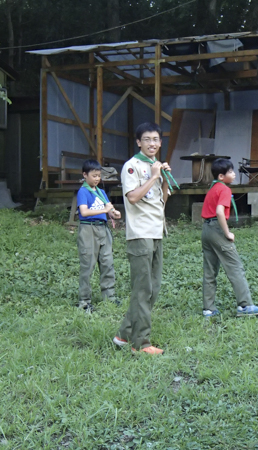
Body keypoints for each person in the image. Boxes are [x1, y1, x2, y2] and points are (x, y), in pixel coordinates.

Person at [112, 122, 171, 355]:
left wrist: (163, 178)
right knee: (142, 289)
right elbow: (134, 197)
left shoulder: (154, 166)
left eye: (156, 139)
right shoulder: (132, 166)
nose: (152, 143)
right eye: (147, 139)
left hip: (156, 231)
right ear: (138, 142)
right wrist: (153, 176)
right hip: (140, 234)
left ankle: (124, 335)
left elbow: (162, 201)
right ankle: (141, 343)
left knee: (152, 288)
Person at [201, 159, 258, 318]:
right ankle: (245, 306)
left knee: (210, 270)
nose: (234, 174)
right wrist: (227, 233)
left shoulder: (213, 188)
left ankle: (208, 309)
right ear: (222, 176)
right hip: (216, 229)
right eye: (230, 172)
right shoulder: (224, 189)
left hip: (205, 230)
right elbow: (219, 211)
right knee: (235, 267)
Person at [76, 159, 121, 313]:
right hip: (88, 229)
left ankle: (109, 296)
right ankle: (84, 301)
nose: (97, 179)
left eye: (98, 176)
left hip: (103, 229)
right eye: (94, 176)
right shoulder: (83, 191)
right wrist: (104, 210)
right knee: (88, 264)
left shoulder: (101, 192)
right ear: (85, 175)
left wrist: (114, 213)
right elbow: (84, 212)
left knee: (107, 262)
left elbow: (109, 209)